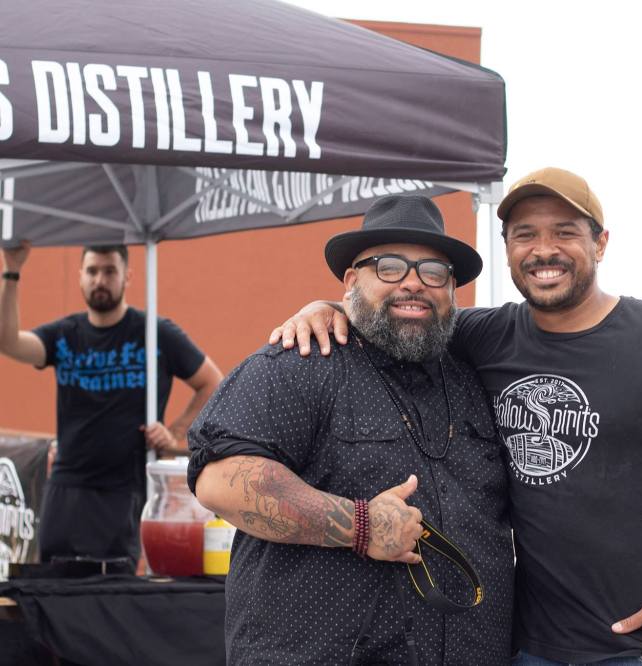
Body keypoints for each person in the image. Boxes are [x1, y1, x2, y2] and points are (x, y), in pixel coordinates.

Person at [270, 168, 642, 666]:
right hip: (531, 647)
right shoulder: (485, 337)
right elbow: (403, 312)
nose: (543, 250)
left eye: (565, 233)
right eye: (525, 235)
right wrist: (327, 307)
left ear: (600, 244)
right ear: (507, 249)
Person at [187, 194, 514, 665]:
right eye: (389, 267)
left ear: (452, 289)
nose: (413, 283)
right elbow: (220, 480)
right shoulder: (300, 362)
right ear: (351, 281)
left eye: (433, 272)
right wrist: (359, 526)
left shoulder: (477, 377)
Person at [0, 243, 222, 569]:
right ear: (80, 276)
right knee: (53, 588)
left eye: (109, 271)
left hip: (123, 493)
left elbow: (213, 383)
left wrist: (174, 433)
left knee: (114, 591)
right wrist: (11, 271)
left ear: (127, 276)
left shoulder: (155, 334)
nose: (99, 280)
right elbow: (8, 342)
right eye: (92, 271)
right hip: (66, 490)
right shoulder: (65, 335)